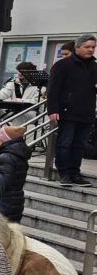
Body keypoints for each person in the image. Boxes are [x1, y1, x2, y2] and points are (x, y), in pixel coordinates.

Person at [47, 34, 96, 186]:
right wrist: (53, 110)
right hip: (66, 111)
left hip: (86, 112)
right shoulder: (63, 65)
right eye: (87, 47)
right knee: (65, 143)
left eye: (93, 47)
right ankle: (64, 173)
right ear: (77, 47)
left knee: (80, 144)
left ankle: (75, 173)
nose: (91, 50)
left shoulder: (95, 66)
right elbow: (53, 89)